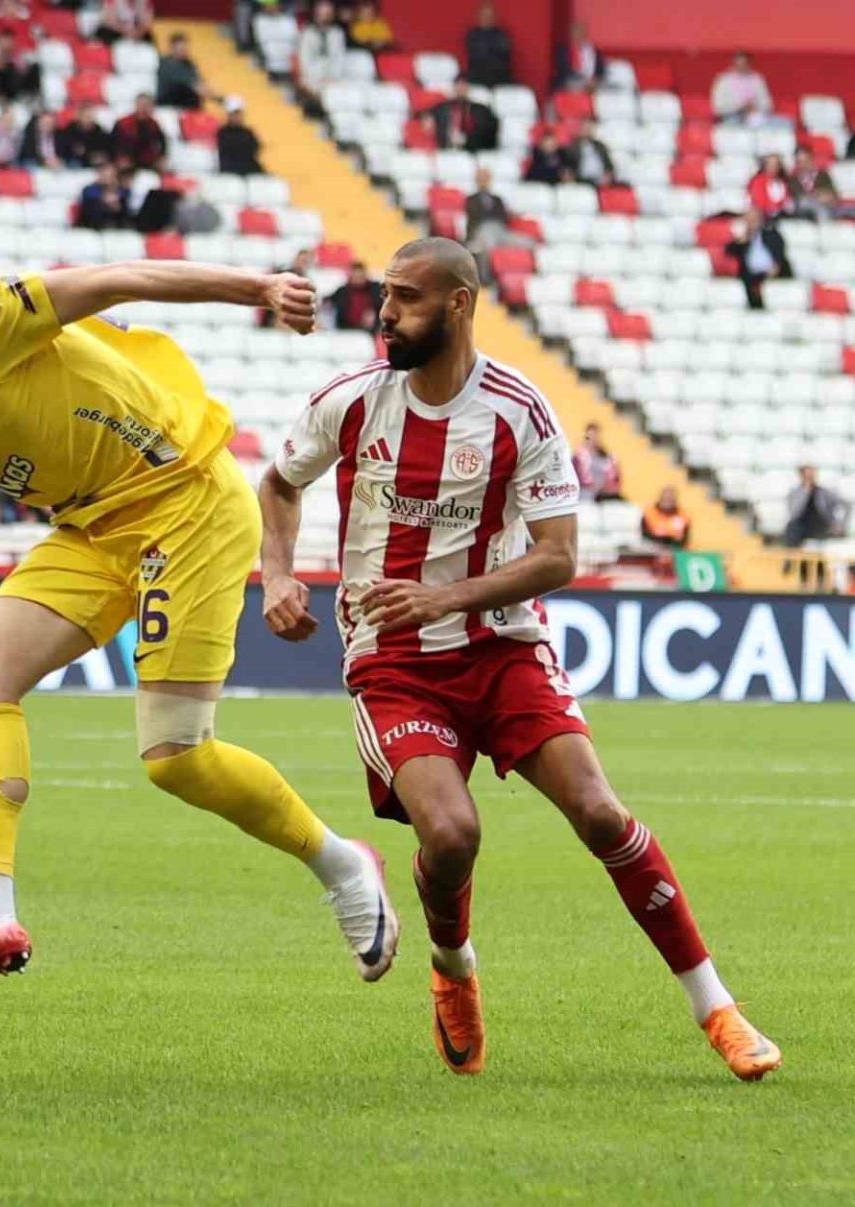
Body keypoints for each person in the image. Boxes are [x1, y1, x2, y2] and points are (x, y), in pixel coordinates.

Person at [0, 261, 398, 1000]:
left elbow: (110, 280)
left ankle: (343, 864)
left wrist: (258, 289)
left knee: (177, 756)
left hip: (185, 506)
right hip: (93, 529)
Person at [257, 235, 781, 1081]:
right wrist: (277, 573)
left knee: (601, 813)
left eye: (406, 297)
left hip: (503, 647)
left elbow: (559, 555)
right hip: (393, 659)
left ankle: (717, 1007)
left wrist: (447, 597)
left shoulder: (518, 411)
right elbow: (280, 483)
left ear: (459, 304)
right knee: (452, 833)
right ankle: (453, 966)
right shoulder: (351, 401)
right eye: (385, 294)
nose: (386, 313)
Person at [725, 208, 791, 311]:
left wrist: (776, 266)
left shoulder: (771, 235)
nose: (751, 223)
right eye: (748, 220)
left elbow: (779, 253)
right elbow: (729, 251)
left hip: (773, 272)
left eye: (753, 219)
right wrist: (743, 239)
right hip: (751, 277)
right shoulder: (745, 240)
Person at [297, 0, 348, 106]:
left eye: (328, 13)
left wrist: (333, 76)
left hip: (333, 77)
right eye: (322, 13)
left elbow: (339, 58)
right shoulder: (307, 33)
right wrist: (317, 77)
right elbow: (304, 60)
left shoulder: (337, 33)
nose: (325, 16)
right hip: (313, 77)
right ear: (316, 12)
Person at [783, 464, 848, 547]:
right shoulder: (794, 493)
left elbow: (846, 505)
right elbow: (793, 513)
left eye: (811, 475)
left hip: (822, 524)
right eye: (807, 476)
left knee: (836, 534)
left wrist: (840, 523)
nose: (809, 478)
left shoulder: (824, 492)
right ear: (801, 476)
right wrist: (806, 491)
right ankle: (793, 552)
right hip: (801, 526)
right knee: (792, 528)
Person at [432, 78, 498, 154]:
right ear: (454, 88)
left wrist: (467, 140)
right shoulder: (442, 108)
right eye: (458, 86)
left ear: (468, 88)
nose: (461, 89)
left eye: (463, 86)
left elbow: (489, 133)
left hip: (474, 150)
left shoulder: (481, 110)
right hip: (446, 150)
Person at [712, 51, 772, 125]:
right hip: (732, 116)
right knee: (734, 123)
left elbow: (767, 104)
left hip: (755, 115)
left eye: (744, 64)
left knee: (780, 122)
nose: (741, 67)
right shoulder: (723, 80)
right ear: (733, 64)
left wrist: (755, 107)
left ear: (750, 64)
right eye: (738, 64)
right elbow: (718, 107)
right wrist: (740, 107)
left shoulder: (757, 79)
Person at [112, 94, 167, 171]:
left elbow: (162, 142)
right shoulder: (123, 123)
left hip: (147, 161)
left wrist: (161, 157)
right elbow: (112, 143)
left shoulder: (153, 124)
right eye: (141, 104)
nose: (143, 108)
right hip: (126, 161)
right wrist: (119, 157)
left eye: (147, 105)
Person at [155, 32, 209, 110]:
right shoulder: (166, 64)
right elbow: (196, 86)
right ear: (172, 48)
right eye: (181, 48)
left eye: (185, 47)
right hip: (169, 107)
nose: (184, 49)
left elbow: (201, 83)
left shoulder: (189, 64)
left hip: (188, 108)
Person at [464, 2, 511, 88]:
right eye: (484, 16)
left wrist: (487, 51)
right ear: (478, 17)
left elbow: (504, 54)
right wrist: (491, 51)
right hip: (477, 75)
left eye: (490, 16)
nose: (487, 19)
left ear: (494, 18)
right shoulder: (472, 35)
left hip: (499, 76)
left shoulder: (501, 35)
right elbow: (475, 56)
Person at [328, 261, 383, 331]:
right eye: (355, 277)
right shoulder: (342, 291)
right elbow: (328, 302)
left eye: (360, 277)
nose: (358, 280)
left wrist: (374, 313)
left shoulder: (375, 288)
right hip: (347, 329)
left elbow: (383, 304)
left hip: (371, 329)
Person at [572, 422, 621, 501]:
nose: (594, 438)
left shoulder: (605, 456)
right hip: (586, 496)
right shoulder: (579, 456)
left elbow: (614, 477)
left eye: (596, 435)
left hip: (603, 495)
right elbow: (582, 478)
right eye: (592, 435)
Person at [75, 163, 133, 230]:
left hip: (116, 223)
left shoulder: (122, 190)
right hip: (93, 224)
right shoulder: (89, 189)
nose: (106, 178)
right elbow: (90, 201)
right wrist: (105, 200)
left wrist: (116, 198)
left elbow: (125, 199)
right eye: (104, 175)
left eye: (110, 176)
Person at [216, 99, 264, 176]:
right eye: (234, 114)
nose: (237, 117)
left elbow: (255, 148)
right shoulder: (222, 132)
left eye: (239, 114)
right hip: (230, 169)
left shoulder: (248, 132)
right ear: (229, 115)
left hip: (250, 168)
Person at [552, 20, 603, 91]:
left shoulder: (594, 51)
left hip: (591, 85)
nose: (578, 36)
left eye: (581, 33)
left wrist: (596, 79)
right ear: (571, 35)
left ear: (585, 34)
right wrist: (584, 81)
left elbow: (600, 70)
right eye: (576, 33)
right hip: (569, 83)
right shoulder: (563, 51)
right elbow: (563, 71)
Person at [562, 118, 614, 188]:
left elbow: (609, 165)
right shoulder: (572, 146)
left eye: (589, 129)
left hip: (600, 179)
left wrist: (608, 175)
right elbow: (568, 165)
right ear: (580, 129)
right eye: (585, 128)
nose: (587, 131)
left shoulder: (600, 146)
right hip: (581, 180)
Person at [790, 147, 837, 220]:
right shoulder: (793, 179)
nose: (804, 165)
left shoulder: (823, 175)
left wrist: (827, 197)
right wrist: (816, 196)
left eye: (806, 160)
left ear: (812, 159)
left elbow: (832, 195)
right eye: (800, 162)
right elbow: (797, 198)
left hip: (824, 208)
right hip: (803, 212)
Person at [747, 154, 794, 218]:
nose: (773, 168)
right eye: (771, 165)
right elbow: (758, 202)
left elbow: (787, 201)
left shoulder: (783, 183)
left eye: (776, 165)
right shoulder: (758, 181)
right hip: (763, 217)